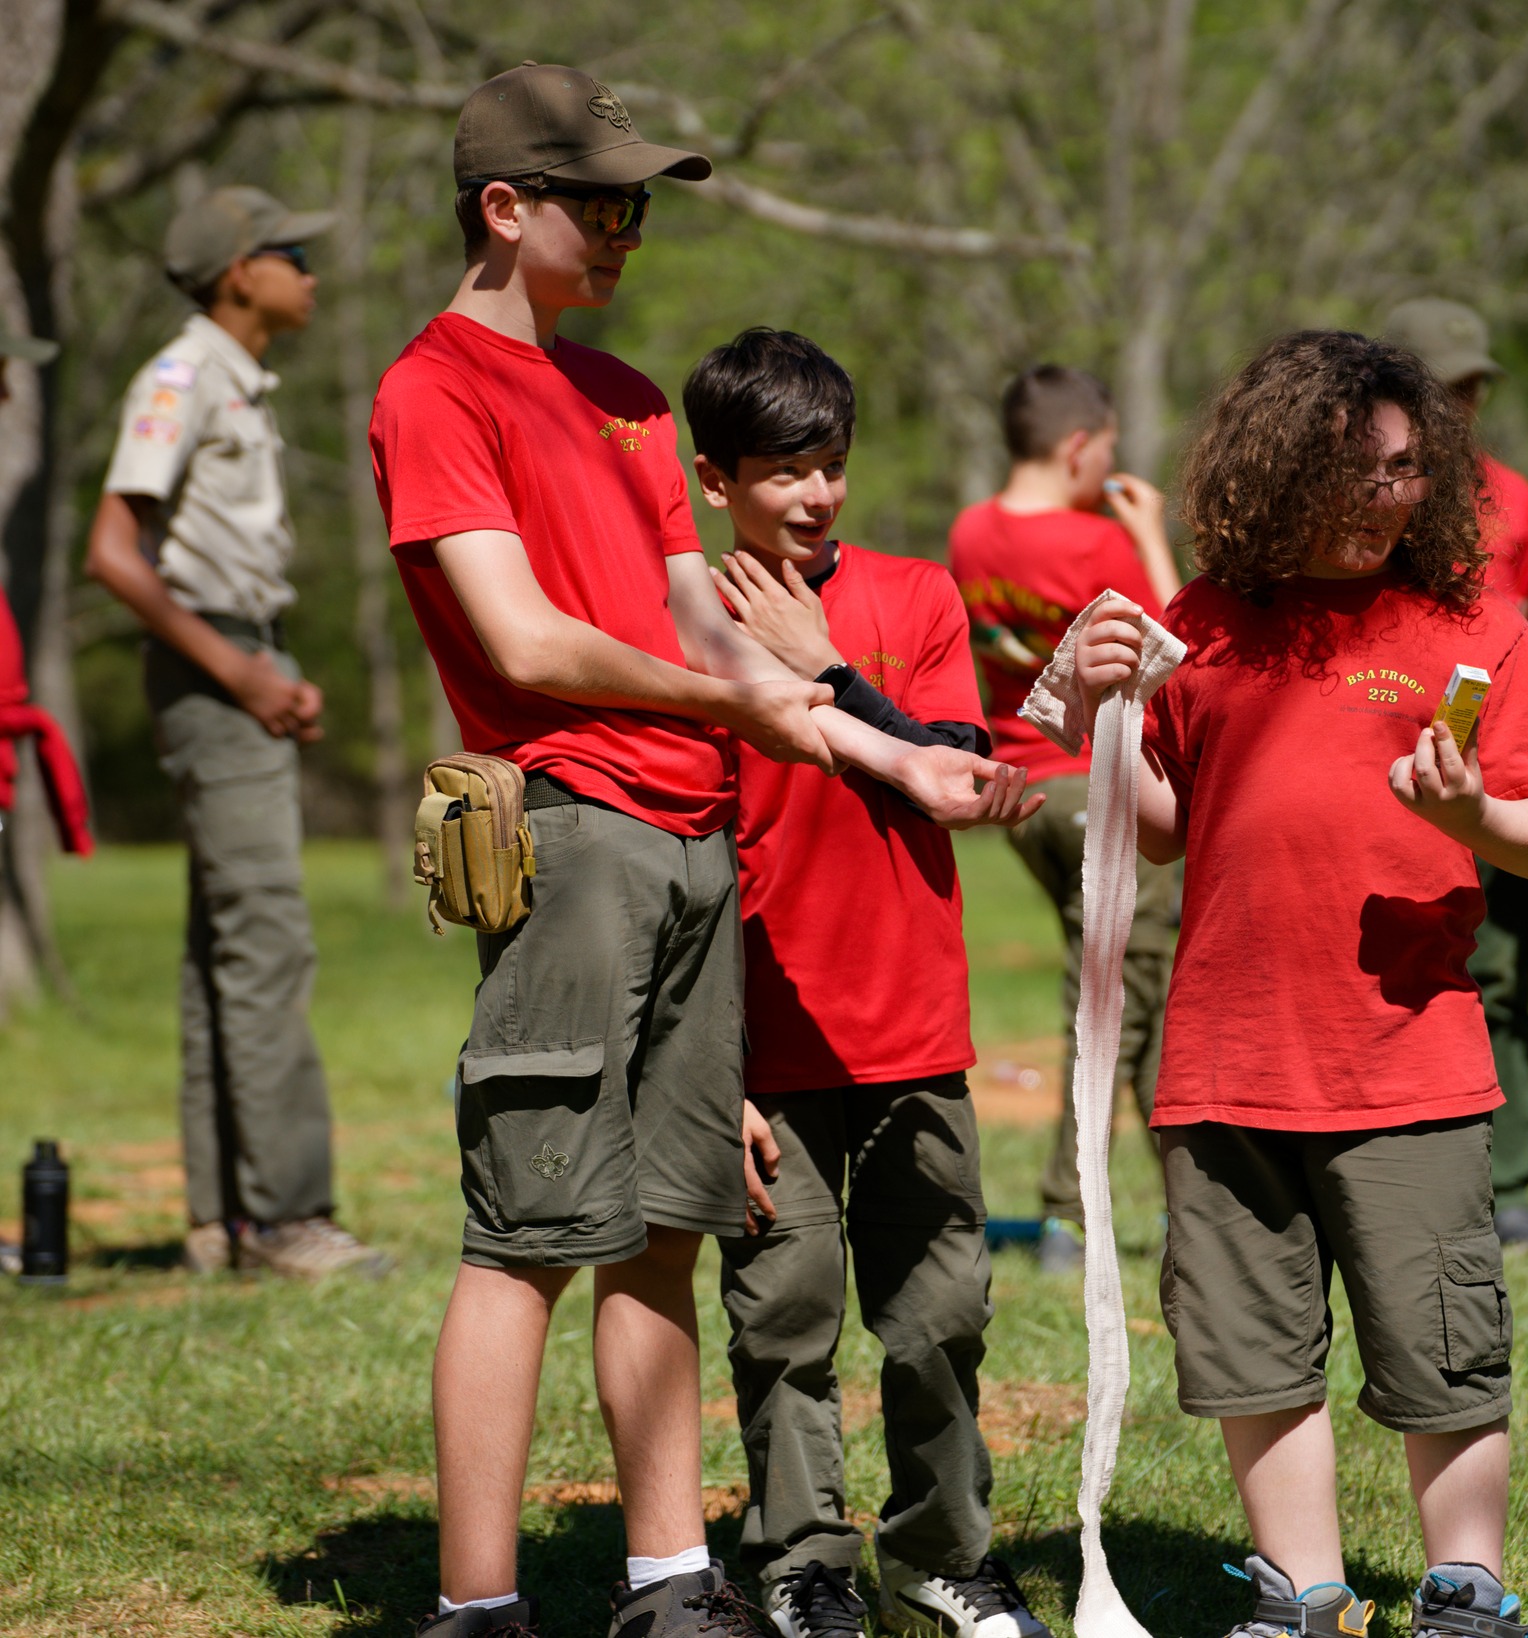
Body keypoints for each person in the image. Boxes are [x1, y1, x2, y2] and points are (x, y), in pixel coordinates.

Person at [369, 65, 1031, 1638]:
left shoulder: (633, 400)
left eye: (639, 205)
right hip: (579, 825)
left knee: (666, 1231)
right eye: (597, 202)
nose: (624, 231)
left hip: (694, 846)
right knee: (530, 1231)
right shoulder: (433, 389)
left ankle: (670, 1581)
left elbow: (691, 616)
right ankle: (480, 1602)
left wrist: (879, 746)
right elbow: (524, 639)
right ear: (503, 207)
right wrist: (737, 702)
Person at [1075, 332, 1528, 1638]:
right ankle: (1299, 1592)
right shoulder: (1202, 623)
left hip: (1404, 1053)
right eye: (1353, 472)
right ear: (1277, 467)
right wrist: (1100, 714)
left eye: (1409, 470)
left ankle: (1465, 1585)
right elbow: (1155, 823)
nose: (1385, 497)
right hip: (1226, 1055)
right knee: (1253, 1344)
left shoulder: (1474, 625)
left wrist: (1474, 810)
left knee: (1439, 1336)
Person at [685, 327, 1051, 1638]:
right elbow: (679, 853)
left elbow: (952, 768)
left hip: (912, 1030)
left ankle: (942, 1553)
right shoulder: (680, 618)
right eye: (785, 469)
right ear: (715, 473)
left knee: (940, 1313)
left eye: (831, 463)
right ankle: (802, 1563)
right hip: (759, 1041)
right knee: (782, 1319)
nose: (817, 493)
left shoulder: (915, 593)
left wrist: (830, 666)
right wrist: (700, 1066)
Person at [82, 186, 386, 1280]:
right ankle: (286, 1215)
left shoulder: (234, 382)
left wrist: (271, 667)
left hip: (241, 649)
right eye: (290, 252)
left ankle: (225, 1220)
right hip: (215, 659)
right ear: (235, 274)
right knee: (266, 939)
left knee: (225, 947)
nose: (310, 271)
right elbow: (113, 552)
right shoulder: (181, 377)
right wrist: (241, 673)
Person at [947, 365, 1182, 1269]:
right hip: (1101, 789)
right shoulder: (1096, 549)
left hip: (1026, 793)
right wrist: (1149, 533)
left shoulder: (972, 532)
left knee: (1145, 996)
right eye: (1110, 447)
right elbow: (1176, 649)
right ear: (1080, 446)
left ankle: (1186, 1208)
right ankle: (1062, 1215)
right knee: (1114, 1007)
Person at [1384, 298, 1528, 1249]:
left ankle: (1517, 1179)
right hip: (1380, 767)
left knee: (1501, 975)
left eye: (1471, 387)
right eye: (1439, 386)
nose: (1458, 405)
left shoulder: (1520, 501)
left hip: (1496, 781)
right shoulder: (1363, 494)